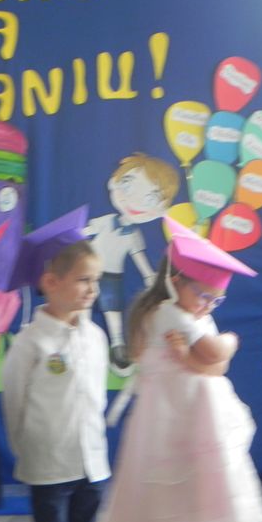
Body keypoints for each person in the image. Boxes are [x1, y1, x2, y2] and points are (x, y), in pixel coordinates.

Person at [101, 216, 262, 522]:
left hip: (194, 413)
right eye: (203, 295)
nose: (208, 306)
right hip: (172, 413)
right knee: (172, 486)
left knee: (193, 489)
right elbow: (216, 354)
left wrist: (192, 360)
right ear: (175, 281)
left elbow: (218, 368)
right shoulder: (169, 312)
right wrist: (231, 341)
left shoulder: (195, 313)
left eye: (217, 300)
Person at [1, 206, 110, 522]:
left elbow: (96, 397)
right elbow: (14, 401)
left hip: (91, 462)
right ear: (50, 282)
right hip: (49, 464)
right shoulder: (31, 342)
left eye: (96, 280)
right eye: (83, 280)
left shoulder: (96, 336)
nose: (93, 289)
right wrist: (25, 450)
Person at [84, 153, 180, 376]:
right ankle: (82, 342)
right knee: (82, 307)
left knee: (112, 310)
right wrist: (70, 238)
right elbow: (85, 231)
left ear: (162, 209)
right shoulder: (106, 221)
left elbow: (139, 257)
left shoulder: (134, 234)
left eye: (150, 199)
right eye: (127, 186)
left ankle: (118, 345)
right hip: (87, 272)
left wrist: (149, 276)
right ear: (114, 183)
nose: (134, 201)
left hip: (111, 276)